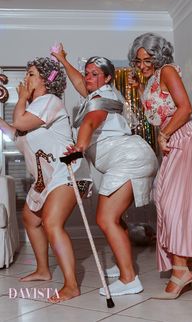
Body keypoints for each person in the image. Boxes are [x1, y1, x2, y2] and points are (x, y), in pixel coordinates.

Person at [127, 32, 192, 299]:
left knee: (175, 205)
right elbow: (158, 112)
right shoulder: (153, 79)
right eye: (138, 61)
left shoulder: (167, 71)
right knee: (164, 201)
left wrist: (164, 135)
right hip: (173, 140)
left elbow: (185, 108)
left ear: (158, 55)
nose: (142, 65)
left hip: (186, 139)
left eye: (147, 59)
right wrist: (140, 88)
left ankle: (180, 271)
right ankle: (191, 263)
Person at [52, 47, 158, 296]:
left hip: (128, 159)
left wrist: (79, 147)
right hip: (131, 157)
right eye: (87, 73)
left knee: (105, 218)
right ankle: (124, 266)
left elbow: (91, 121)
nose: (88, 78)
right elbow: (79, 83)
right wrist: (63, 60)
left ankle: (129, 279)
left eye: (95, 74)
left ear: (108, 77)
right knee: (115, 218)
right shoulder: (97, 93)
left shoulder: (102, 98)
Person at [0, 57, 92, 302]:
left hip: (68, 171)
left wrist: (20, 98)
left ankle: (71, 285)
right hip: (46, 178)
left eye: (31, 74)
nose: (25, 79)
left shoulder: (49, 101)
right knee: (30, 217)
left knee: (52, 223)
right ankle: (43, 270)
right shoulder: (33, 110)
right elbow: (14, 131)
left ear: (45, 80)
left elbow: (19, 122)